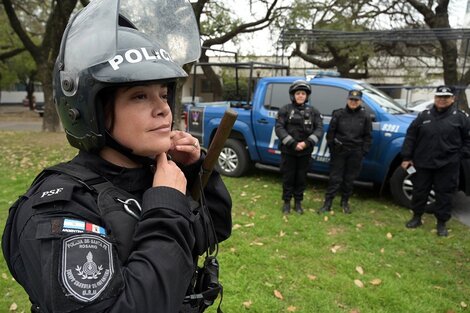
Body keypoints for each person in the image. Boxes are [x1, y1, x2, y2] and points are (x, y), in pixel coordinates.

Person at [2, 1, 232, 312]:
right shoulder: (60, 207)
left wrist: (194, 172)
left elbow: (212, 230)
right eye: (139, 96)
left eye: (164, 93)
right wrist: (165, 204)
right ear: (91, 109)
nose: (163, 108)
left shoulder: (156, 172)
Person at [401, 85, 470, 236]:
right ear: (435, 98)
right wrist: (407, 157)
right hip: (423, 162)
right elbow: (411, 136)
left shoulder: (460, 117)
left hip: (448, 165)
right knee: (419, 191)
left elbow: (467, 140)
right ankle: (417, 217)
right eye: (439, 97)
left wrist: (460, 155)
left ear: (453, 99)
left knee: (444, 194)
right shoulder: (424, 116)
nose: (442, 100)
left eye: (446, 97)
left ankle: (441, 223)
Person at [318, 90, 372, 214]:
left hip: (355, 152)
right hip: (339, 151)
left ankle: (344, 202)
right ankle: (328, 203)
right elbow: (330, 134)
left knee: (349, 179)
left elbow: (368, 136)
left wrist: (363, 151)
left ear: (360, 101)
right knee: (334, 178)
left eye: (356, 100)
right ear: (347, 100)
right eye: (351, 100)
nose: (353, 102)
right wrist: (333, 149)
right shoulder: (339, 114)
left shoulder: (365, 117)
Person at [275, 80, 323, 214]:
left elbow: (319, 129)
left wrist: (306, 143)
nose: (300, 96)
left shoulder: (314, 112)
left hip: (305, 153)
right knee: (288, 177)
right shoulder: (285, 110)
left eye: (303, 93)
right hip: (288, 151)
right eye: (298, 93)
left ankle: (298, 202)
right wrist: (292, 143)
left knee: (301, 178)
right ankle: (286, 202)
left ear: (307, 96)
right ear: (293, 95)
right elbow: (279, 128)